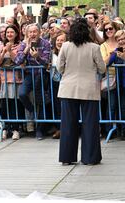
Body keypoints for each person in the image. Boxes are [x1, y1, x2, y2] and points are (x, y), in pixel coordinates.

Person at [56, 18, 105, 165]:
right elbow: (102, 68)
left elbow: (59, 67)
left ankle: (67, 157)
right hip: (89, 89)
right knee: (90, 124)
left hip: (68, 88)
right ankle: (90, 158)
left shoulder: (65, 46)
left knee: (68, 125)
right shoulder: (94, 47)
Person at [14, 23, 51, 140]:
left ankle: (39, 130)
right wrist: (26, 50)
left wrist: (37, 57)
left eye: (35, 31)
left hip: (42, 75)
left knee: (40, 101)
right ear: (27, 33)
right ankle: (32, 111)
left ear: (39, 32)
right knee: (22, 94)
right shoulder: (23, 44)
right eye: (30, 32)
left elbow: (47, 63)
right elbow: (17, 61)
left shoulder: (46, 43)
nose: (33, 34)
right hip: (30, 74)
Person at [0, 24, 24, 140]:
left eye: (12, 32)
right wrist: (3, 52)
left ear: (16, 34)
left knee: (15, 105)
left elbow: (19, 62)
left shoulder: (20, 45)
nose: (9, 34)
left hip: (16, 80)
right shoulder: (1, 46)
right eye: (7, 33)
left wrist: (10, 51)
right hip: (4, 80)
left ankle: (16, 128)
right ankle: (6, 127)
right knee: (4, 106)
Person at [100, 21, 120, 136]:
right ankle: (109, 130)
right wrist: (113, 54)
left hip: (122, 76)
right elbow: (104, 63)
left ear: (115, 28)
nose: (108, 31)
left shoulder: (122, 41)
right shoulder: (103, 46)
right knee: (111, 105)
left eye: (110, 28)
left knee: (122, 105)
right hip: (111, 77)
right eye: (106, 29)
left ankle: (122, 129)